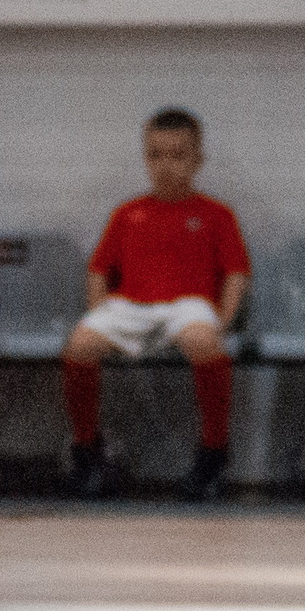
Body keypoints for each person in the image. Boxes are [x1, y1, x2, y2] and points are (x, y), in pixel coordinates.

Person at [62, 109, 249, 501]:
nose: (165, 165)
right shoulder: (128, 213)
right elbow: (99, 269)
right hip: (130, 305)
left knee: (203, 342)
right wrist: (97, 311)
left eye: (177, 156)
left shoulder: (216, 215)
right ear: (146, 157)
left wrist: (225, 316)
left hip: (189, 304)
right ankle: (87, 448)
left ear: (197, 160)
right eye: (155, 155)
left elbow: (235, 272)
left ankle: (213, 450)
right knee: (79, 345)